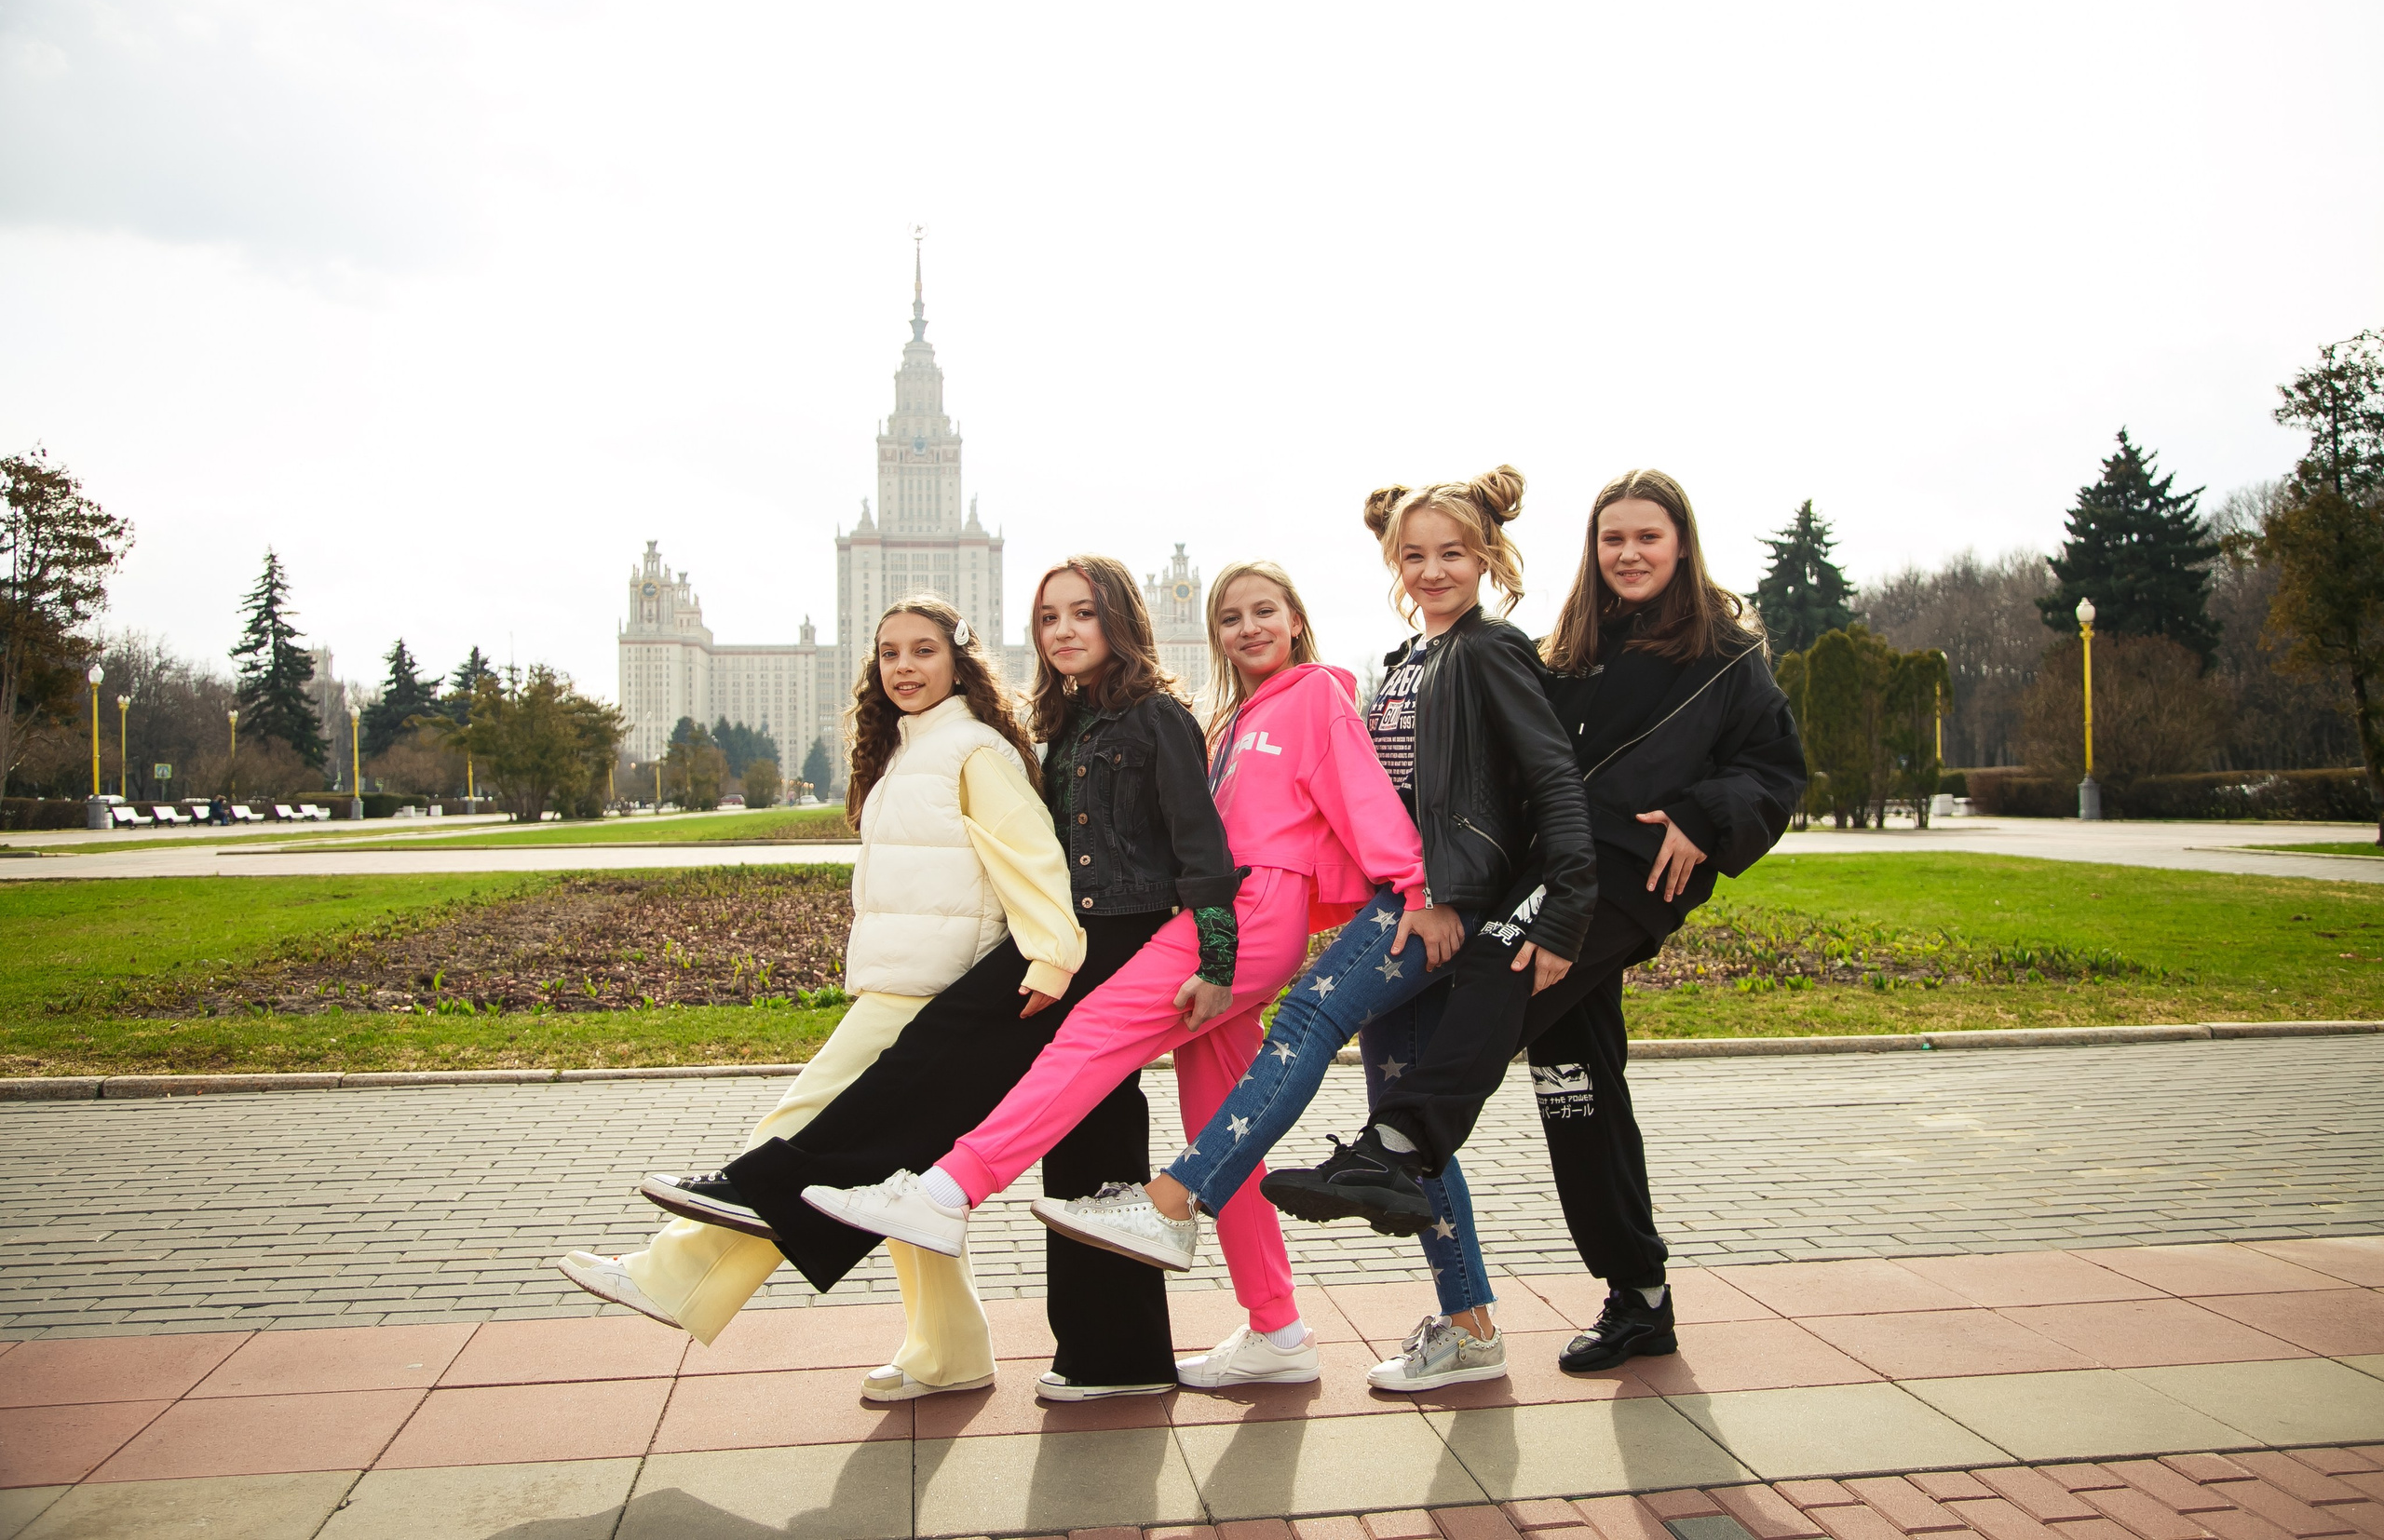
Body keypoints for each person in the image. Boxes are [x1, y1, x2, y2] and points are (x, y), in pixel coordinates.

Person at [811, 469, 1600, 1396]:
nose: (1248, 628)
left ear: (1297, 619)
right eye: (1231, 617)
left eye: (1265, 610)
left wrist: (1415, 884)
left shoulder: (1311, 695)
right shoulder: (1236, 718)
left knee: (1091, 1038)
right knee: (1220, 1121)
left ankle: (949, 1191)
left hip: (1256, 917)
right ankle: (1278, 1328)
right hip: (1238, 916)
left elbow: (1364, 801)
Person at [634, 557, 1247, 1401]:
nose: (1063, 630)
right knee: (1092, 1133)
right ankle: (1117, 1358)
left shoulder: (1156, 717)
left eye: (1082, 613)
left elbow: (1200, 846)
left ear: (1119, 620)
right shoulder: (1065, 722)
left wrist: (1218, 958)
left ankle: (768, 1186)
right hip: (1083, 932)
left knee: (932, 1060)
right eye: (1048, 618)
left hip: (1118, 939)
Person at [1271, 466, 1807, 1376]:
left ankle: (1396, 1146)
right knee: (1578, 1091)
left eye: (1647, 536)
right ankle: (1639, 1298)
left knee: (1495, 970)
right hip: (1555, 872)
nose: (1628, 553)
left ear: (1680, 544)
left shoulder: (1723, 656)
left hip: (1625, 874)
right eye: (1612, 539)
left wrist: (1707, 816)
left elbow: (1774, 768)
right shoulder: (1570, 653)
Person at [555, 594, 1084, 1402]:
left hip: (930, 988)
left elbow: (1035, 858)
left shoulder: (972, 749)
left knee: (798, 1128)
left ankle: (674, 1274)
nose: (904, 667)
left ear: (958, 661)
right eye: (889, 653)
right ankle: (951, 1350)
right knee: (893, 1180)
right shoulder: (911, 750)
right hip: (901, 976)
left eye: (923, 651)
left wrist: (1051, 957)